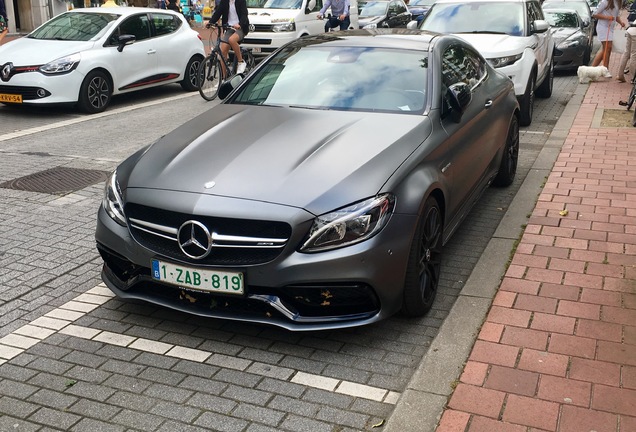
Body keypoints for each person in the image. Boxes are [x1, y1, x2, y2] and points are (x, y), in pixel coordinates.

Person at [207, 0, 250, 74]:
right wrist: (210, 22)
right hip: (229, 28)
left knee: (232, 40)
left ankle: (241, 62)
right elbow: (218, 12)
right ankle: (223, 78)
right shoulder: (224, 1)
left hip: (240, 28)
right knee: (223, 51)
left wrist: (239, 24)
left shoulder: (241, 1)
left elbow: (244, 14)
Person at [591, 0, 627, 77]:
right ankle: (605, 70)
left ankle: (593, 69)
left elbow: (616, 16)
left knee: (606, 49)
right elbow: (594, 14)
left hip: (610, 28)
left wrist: (621, 22)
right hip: (603, 27)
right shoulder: (605, 2)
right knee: (608, 48)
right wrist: (607, 17)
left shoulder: (617, 2)